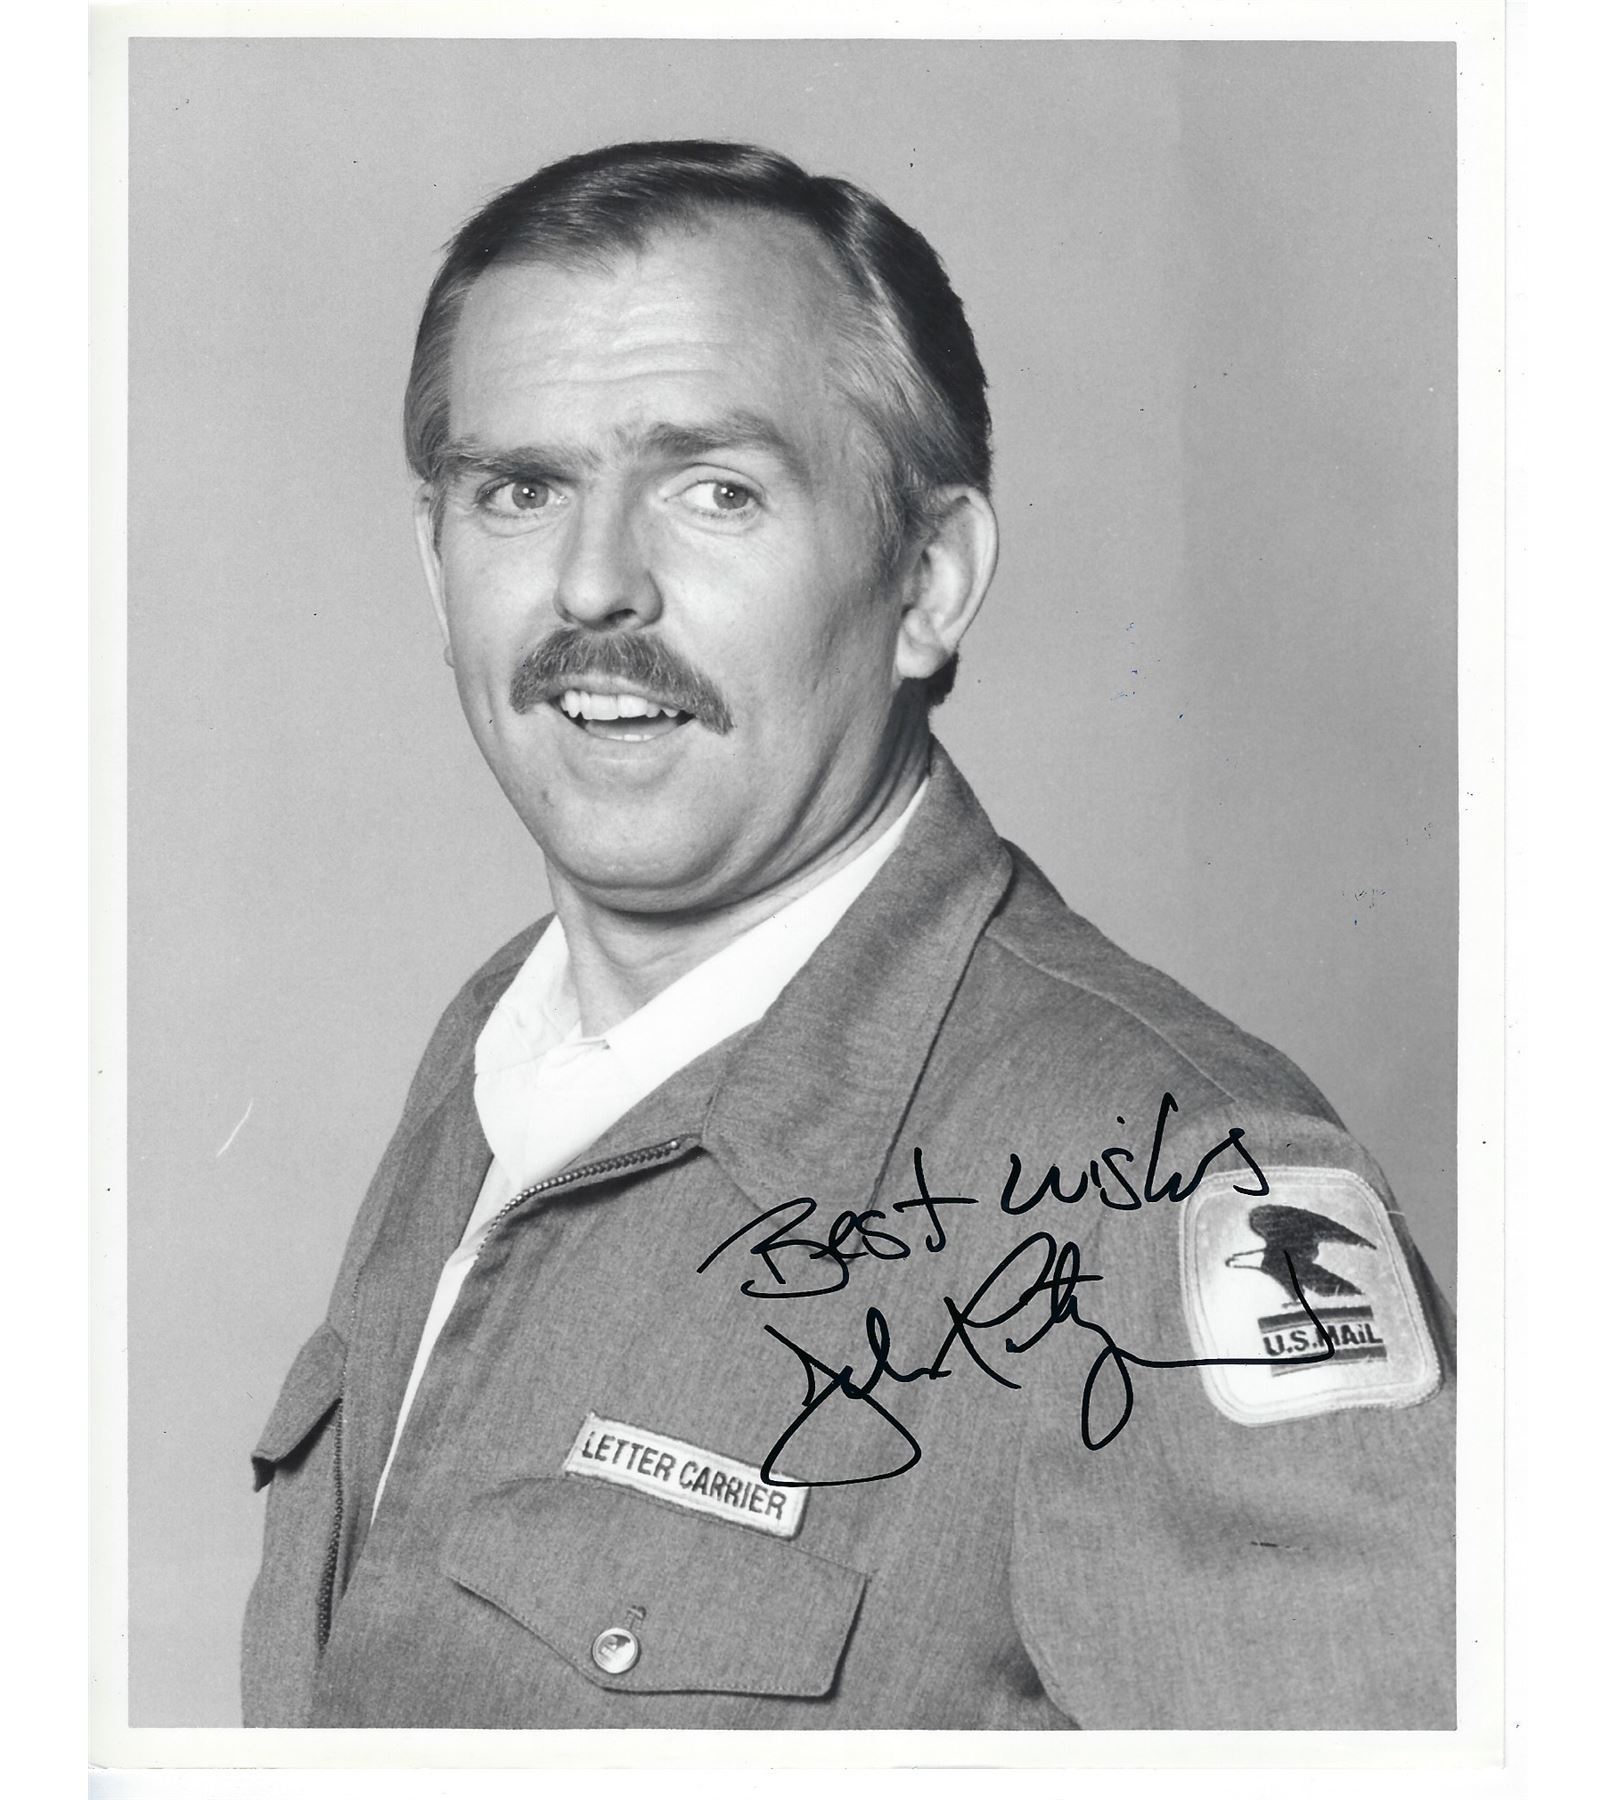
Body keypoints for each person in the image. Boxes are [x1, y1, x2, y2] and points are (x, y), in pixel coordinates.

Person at [241, 140, 1455, 1731]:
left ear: (928, 582)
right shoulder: (501, 1050)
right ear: (436, 563)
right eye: (521, 490)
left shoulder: (1173, 1190)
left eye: (717, 491)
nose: (593, 585)